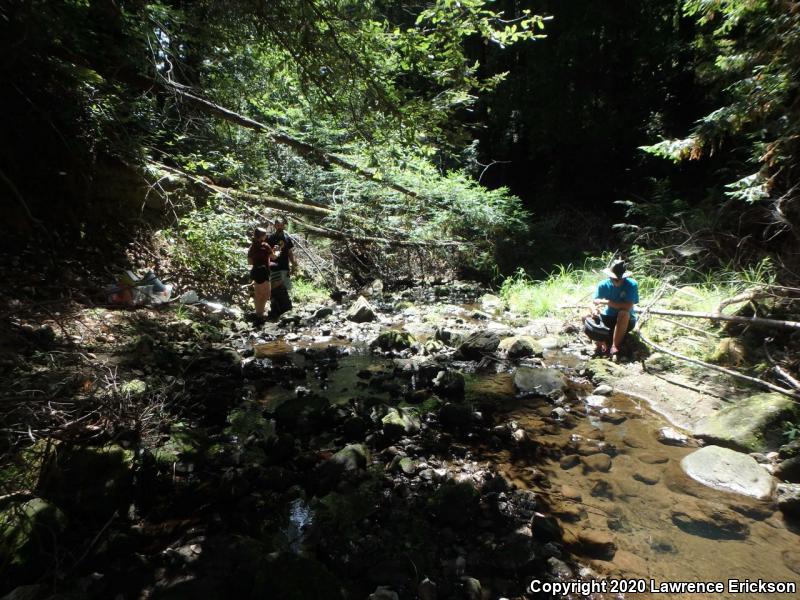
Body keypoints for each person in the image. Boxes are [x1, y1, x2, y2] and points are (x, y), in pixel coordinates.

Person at [588, 259, 639, 357]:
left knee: (623, 313)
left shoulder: (632, 285)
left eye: (620, 278)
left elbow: (628, 306)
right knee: (585, 316)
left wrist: (607, 302)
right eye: (615, 278)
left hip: (626, 320)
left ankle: (615, 346)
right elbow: (592, 303)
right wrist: (593, 310)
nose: (618, 281)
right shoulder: (603, 284)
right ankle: (599, 343)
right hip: (607, 318)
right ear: (610, 277)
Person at [267, 216, 298, 318]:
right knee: (274, 288)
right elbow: (266, 252)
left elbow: (290, 252)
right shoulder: (270, 238)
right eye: (278, 225)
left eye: (282, 225)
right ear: (275, 225)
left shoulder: (287, 238)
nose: (280, 227)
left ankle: (285, 310)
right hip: (274, 267)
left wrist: (294, 264)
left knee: (284, 287)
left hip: (284, 266)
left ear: (284, 226)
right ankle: (275, 310)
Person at [247, 227, 273, 321]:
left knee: (258, 293)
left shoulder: (251, 247)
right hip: (264, 271)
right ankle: (260, 313)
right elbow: (273, 256)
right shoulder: (265, 246)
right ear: (262, 236)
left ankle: (259, 313)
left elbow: (249, 262)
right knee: (266, 293)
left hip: (255, 271)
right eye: (265, 235)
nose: (266, 236)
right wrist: (278, 252)